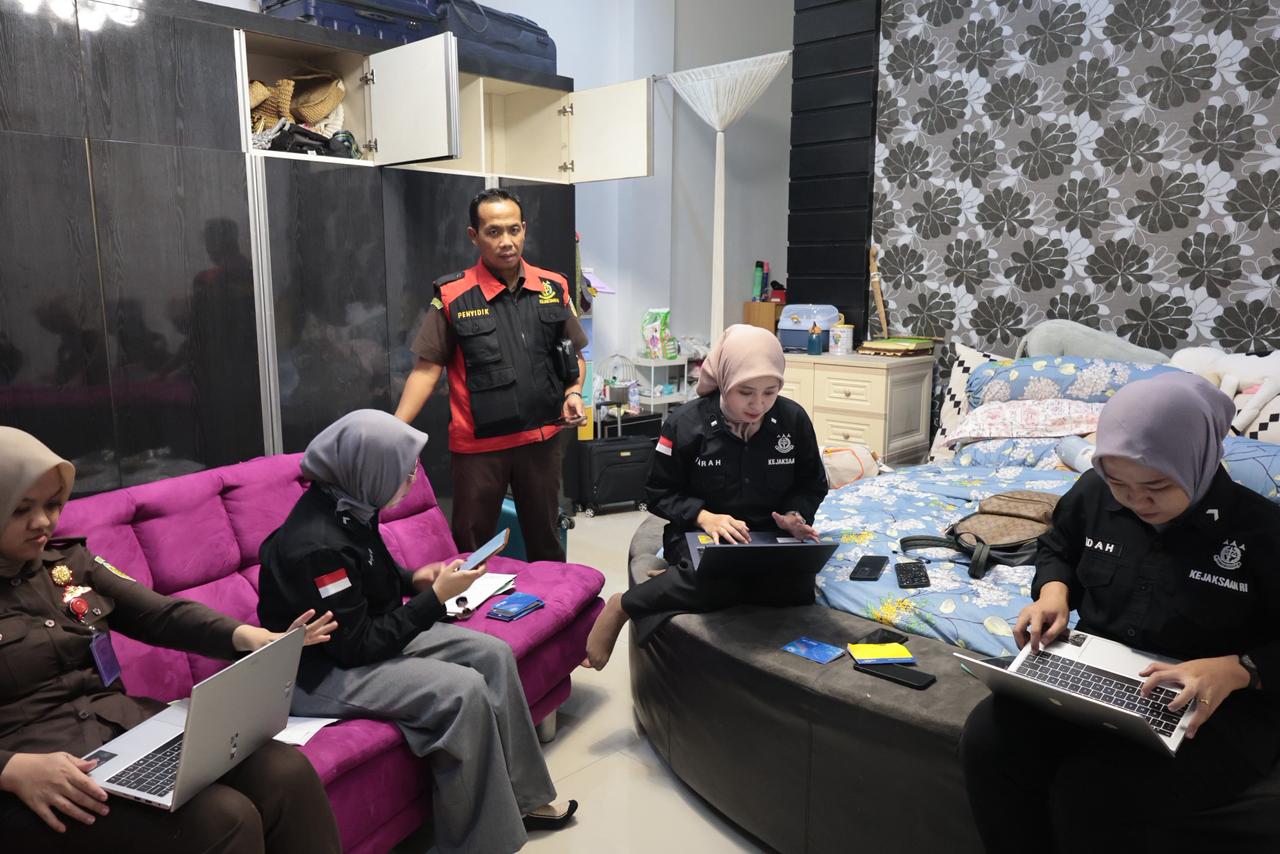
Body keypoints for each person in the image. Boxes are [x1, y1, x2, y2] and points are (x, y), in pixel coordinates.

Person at [959, 372, 1280, 854]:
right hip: (1099, 673)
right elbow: (1058, 548)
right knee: (988, 739)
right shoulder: (1094, 493)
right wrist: (1053, 593)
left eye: (1156, 486)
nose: (1135, 500)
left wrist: (1237, 669)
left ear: (1199, 461)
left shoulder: (1262, 532)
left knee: (1092, 795)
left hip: (1214, 707)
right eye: (1119, 483)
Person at [0, 427, 342, 854]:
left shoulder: (68, 564)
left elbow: (161, 615)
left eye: (52, 505)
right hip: (42, 771)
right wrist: (11, 769)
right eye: (20, 509)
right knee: (224, 819)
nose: (42, 522)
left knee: (285, 772)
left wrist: (254, 638)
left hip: (122, 733)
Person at [255, 410, 577, 854]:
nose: (411, 478)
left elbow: (369, 582)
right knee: (462, 691)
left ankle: (526, 798)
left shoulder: (352, 504)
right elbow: (357, 647)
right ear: (369, 470)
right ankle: (483, 845)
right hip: (315, 673)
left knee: (493, 655)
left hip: (360, 638)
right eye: (402, 470)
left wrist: (416, 581)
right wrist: (435, 599)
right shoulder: (315, 545)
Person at [582, 325, 829, 670]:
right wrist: (704, 516)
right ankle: (623, 605)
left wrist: (794, 515)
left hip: (768, 535)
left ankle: (672, 582)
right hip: (699, 533)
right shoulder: (685, 424)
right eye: (745, 392)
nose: (758, 404)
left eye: (770, 392)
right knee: (715, 583)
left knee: (794, 590)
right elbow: (658, 492)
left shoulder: (792, 420)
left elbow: (811, 483)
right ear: (724, 382)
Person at [394, 188, 589, 562]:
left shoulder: (553, 287)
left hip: (541, 441)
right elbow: (427, 369)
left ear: (524, 229)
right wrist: (394, 431)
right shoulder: (453, 294)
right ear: (474, 235)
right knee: (472, 545)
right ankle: (472, 603)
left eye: (514, 230)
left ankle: (552, 599)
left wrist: (574, 391)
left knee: (547, 540)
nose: (506, 242)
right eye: (493, 232)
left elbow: (575, 355)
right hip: (479, 448)